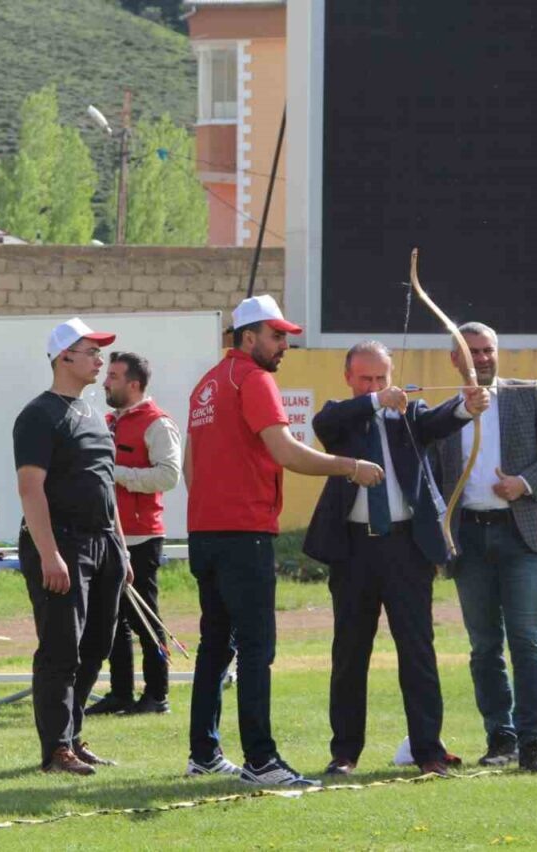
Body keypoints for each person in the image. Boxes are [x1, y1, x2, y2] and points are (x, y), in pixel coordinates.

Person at [183, 295, 386, 788]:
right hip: (242, 535)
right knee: (256, 648)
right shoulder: (254, 380)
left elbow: (190, 466)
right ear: (248, 338)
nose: (284, 345)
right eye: (276, 336)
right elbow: (286, 452)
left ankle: (205, 753)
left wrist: (214, 509)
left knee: (216, 645)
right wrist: (350, 467)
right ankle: (261, 761)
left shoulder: (206, 384)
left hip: (205, 533)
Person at [302, 341, 489, 778]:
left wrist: (468, 404)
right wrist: (373, 401)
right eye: (366, 379)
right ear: (349, 378)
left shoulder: (411, 415)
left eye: (382, 378)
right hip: (354, 550)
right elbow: (324, 422)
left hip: (406, 548)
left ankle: (429, 752)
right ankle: (344, 753)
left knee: (417, 650)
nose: (376, 385)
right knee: (350, 652)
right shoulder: (341, 417)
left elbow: (443, 419)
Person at [435, 322, 537, 773]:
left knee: (528, 641)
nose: (481, 358)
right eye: (471, 352)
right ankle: (501, 738)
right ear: (455, 359)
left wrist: (524, 483)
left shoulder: (528, 393)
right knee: (483, 645)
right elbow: (433, 477)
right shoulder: (445, 413)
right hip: (470, 537)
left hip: (523, 533)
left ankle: (535, 744)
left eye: (487, 350)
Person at [14, 317, 134, 776]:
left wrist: (120, 550)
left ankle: (73, 736)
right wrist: (49, 554)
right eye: (91, 352)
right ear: (64, 357)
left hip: (103, 545)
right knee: (61, 648)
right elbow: (31, 490)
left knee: (96, 646)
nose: (100, 361)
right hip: (61, 542)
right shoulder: (38, 415)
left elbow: (106, 488)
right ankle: (55, 750)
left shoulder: (95, 415)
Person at [85, 351, 181, 716]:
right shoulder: (108, 421)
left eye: (113, 376)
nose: (105, 381)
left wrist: (118, 473)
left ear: (134, 384)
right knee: (114, 620)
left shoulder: (158, 423)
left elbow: (168, 476)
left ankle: (157, 695)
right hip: (109, 534)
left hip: (141, 536)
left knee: (146, 619)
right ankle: (120, 693)